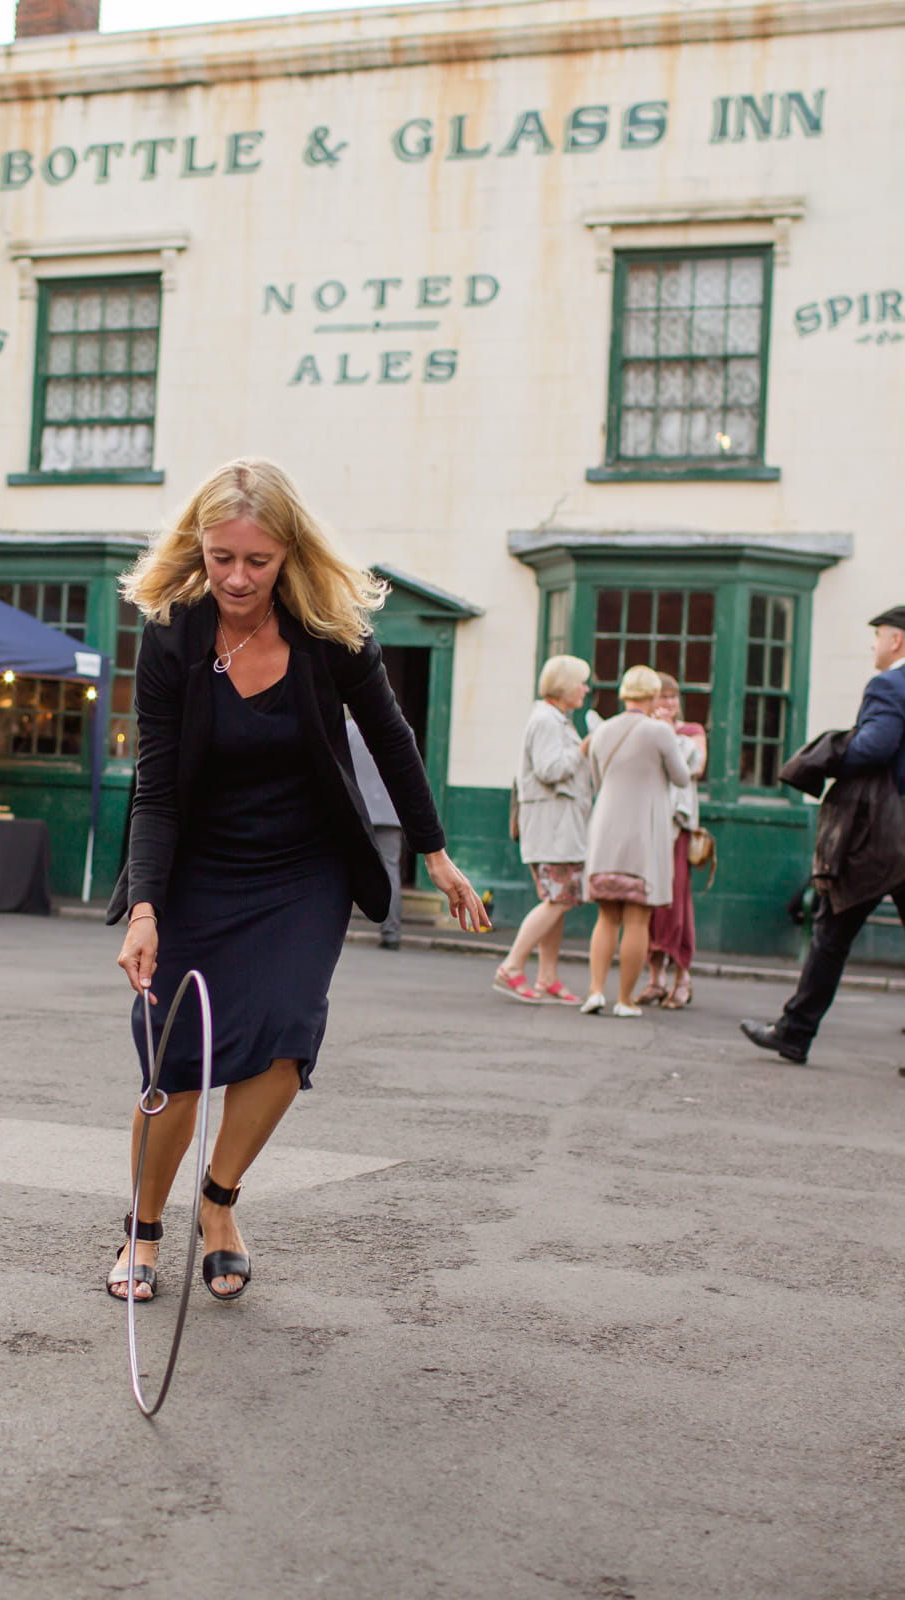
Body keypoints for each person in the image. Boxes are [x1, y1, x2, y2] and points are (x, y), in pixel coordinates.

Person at [106, 458, 488, 1304]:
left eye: (258, 561)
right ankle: (141, 1228)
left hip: (302, 865)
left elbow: (391, 737)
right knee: (174, 1059)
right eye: (221, 558)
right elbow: (157, 787)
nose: (237, 578)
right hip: (198, 862)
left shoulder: (329, 628)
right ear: (197, 550)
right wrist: (144, 906)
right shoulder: (171, 632)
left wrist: (434, 850)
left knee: (285, 1036)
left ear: (289, 553)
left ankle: (219, 1202)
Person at [741, 605, 905, 1086]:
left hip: (883, 837)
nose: (873, 647)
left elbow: (873, 747)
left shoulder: (890, 685)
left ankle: (794, 1033)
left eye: (876, 638)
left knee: (832, 932)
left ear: (895, 640)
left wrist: (825, 752)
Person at [578, 666, 693, 1016]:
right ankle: (625, 1000)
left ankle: (595, 991)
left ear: (624, 693)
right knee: (638, 918)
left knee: (606, 916)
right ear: (654, 696)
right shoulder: (659, 731)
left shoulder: (603, 730)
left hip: (605, 829)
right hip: (644, 831)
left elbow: (597, 779)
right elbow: (682, 777)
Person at [496, 655, 594, 1005]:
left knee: (558, 900)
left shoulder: (556, 721)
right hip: (553, 831)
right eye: (582, 682)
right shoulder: (547, 722)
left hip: (558, 829)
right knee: (559, 898)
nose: (586, 688)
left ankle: (547, 976)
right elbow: (550, 769)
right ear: (565, 686)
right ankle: (512, 966)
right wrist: (585, 749)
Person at [644, 677, 709, 1008]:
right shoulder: (644, 728)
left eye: (673, 697)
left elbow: (696, 766)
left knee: (677, 902)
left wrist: (668, 731)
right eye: (661, 697)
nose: (668, 702)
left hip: (677, 829)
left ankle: (682, 978)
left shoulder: (691, 730)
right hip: (649, 826)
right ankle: (655, 979)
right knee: (648, 905)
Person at [344, 714, 405, 950]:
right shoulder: (400, 728)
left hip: (356, 811)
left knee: (344, 871)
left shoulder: (347, 730)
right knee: (391, 873)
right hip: (390, 812)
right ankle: (391, 934)